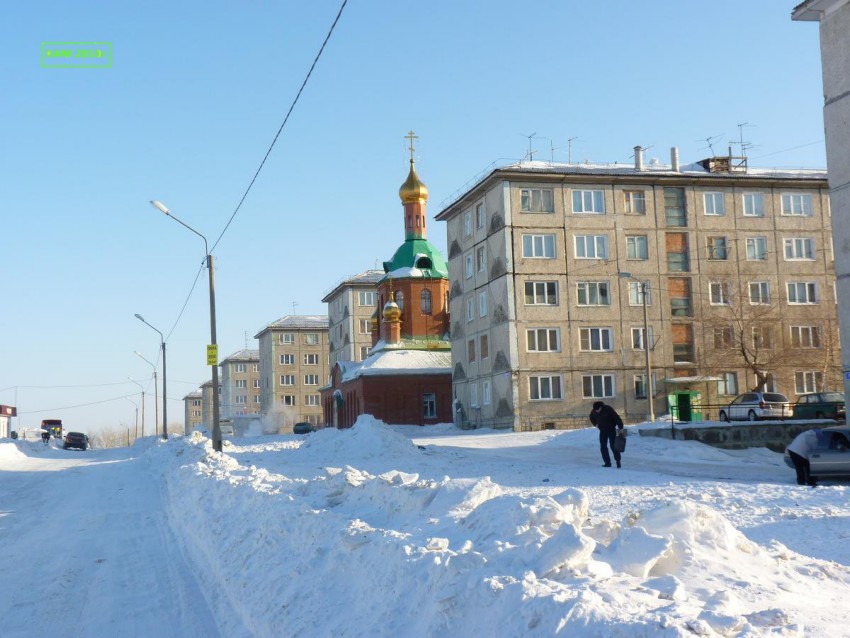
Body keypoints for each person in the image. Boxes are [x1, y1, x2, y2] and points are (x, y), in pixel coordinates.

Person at [589, 401, 624, 468]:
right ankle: (607, 463)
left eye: (598, 410)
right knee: (603, 446)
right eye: (595, 410)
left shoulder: (607, 409)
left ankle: (618, 461)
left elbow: (616, 418)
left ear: (601, 407)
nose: (597, 411)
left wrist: (621, 428)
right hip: (602, 430)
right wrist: (595, 424)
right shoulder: (594, 411)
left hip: (611, 429)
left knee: (613, 446)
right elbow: (591, 417)